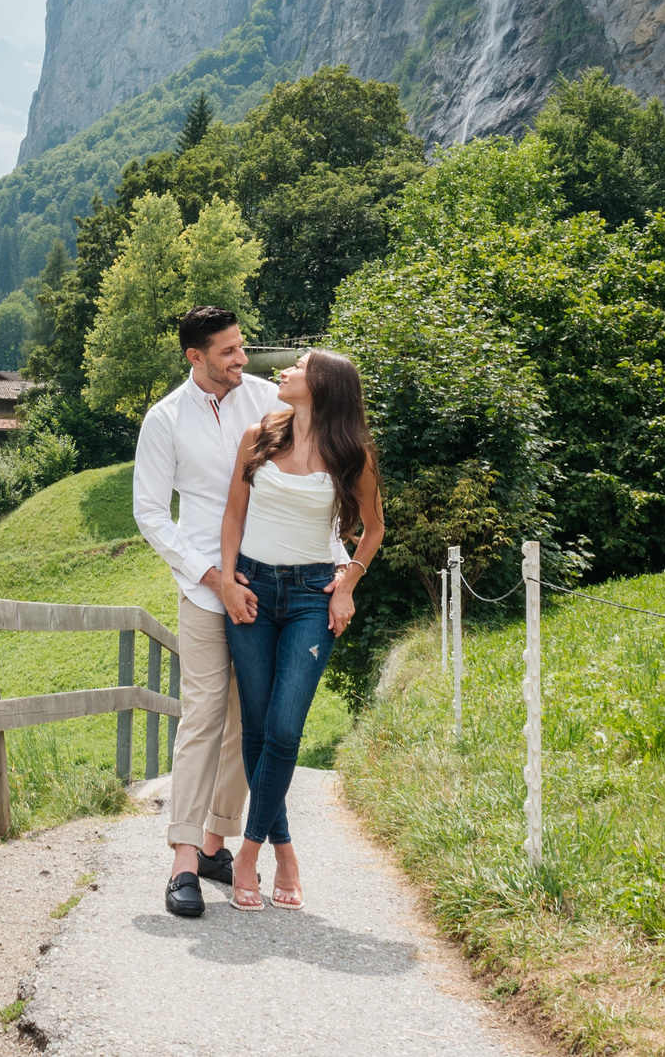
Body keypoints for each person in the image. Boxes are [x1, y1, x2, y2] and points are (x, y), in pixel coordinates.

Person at [133, 306, 346, 919]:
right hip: (204, 585)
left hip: (277, 584)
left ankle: (215, 843)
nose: (241, 359)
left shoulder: (268, 404)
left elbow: (318, 488)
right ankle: (182, 864)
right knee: (204, 712)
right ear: (194, 357)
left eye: (241, 346)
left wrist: (337, 571)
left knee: (249, 720)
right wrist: (212, 578)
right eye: (226, 351)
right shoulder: (165, 419)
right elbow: (150, 512)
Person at [214, 349, 383, 911]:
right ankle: (283, 850)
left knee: (285, 727)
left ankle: (249, 851)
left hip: (313, 595)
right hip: (253, 590)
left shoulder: (349, 453)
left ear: (323, 386)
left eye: (298, 366)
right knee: (258, 730)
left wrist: (349, 582)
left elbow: (374, 528)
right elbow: (233, 515)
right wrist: (227, 583)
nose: (283, 371)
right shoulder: (259, 434)